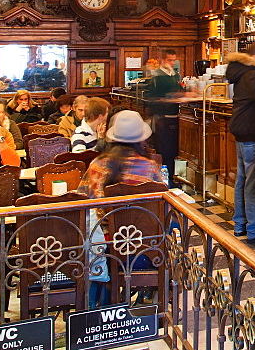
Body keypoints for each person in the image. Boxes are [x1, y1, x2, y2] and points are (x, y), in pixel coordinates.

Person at [79, 109, 164, 307]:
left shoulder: (97, 165)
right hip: (142, 252)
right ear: (140, 139)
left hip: (102, 250)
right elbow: (161, 207)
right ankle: (155, 297)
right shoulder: (148, 167)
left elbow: (83, 199)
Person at [226, 44, 255, 243]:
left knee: (242, 180)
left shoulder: (241, 71)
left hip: (243, 131)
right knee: (252, 183)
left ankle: (240, 224)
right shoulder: (253, 73)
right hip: (253, 131)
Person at [146, 49, 184, 184]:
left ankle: (172, 178)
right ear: (162, 60)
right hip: (162, 118)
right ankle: (164, 180)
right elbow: (152, 98)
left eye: (174, 60)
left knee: (173, 150)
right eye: (169, 60)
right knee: (164, 150)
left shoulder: (174, 75)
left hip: (174, 116)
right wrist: (169, 99)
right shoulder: (157, 76)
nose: (172, 63)